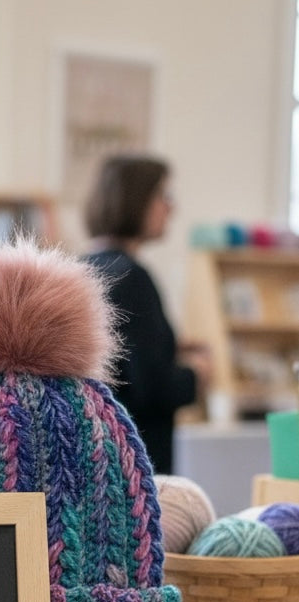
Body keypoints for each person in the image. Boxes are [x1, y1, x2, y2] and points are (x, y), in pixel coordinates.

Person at [84, 154, 212, 474]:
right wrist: (197, 373)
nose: (171, 207)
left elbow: (121, 360)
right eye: (163, 195)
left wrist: (171, 346)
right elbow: (154, 387)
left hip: (98, 454)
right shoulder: (131, 276)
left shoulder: (84, 266)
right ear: (136, 199)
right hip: (136, 461)